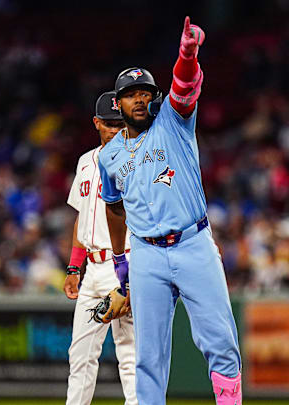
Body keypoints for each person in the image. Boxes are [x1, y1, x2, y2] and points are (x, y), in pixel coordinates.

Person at [98, 17, 242, 405]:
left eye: (146, 92)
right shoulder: (109, 156)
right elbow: (113, 208)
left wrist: (187, 53)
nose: (141, 99)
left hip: (192, 244)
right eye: (132, 94)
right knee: (148, 358)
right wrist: (120, 261)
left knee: (221, 343)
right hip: (146, 254)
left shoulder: (173, 122)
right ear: (119, 103)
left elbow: (184, 85)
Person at [64, 91, 137, 405]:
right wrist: (73, 267)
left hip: (126, 265)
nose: (115, 129)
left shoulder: (138, 160)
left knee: (131, 356)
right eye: (108, 123)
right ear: (96, 123)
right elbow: (81, 220)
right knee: (79, 357)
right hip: (91, 269)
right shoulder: (85, 161)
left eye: (119, 123)